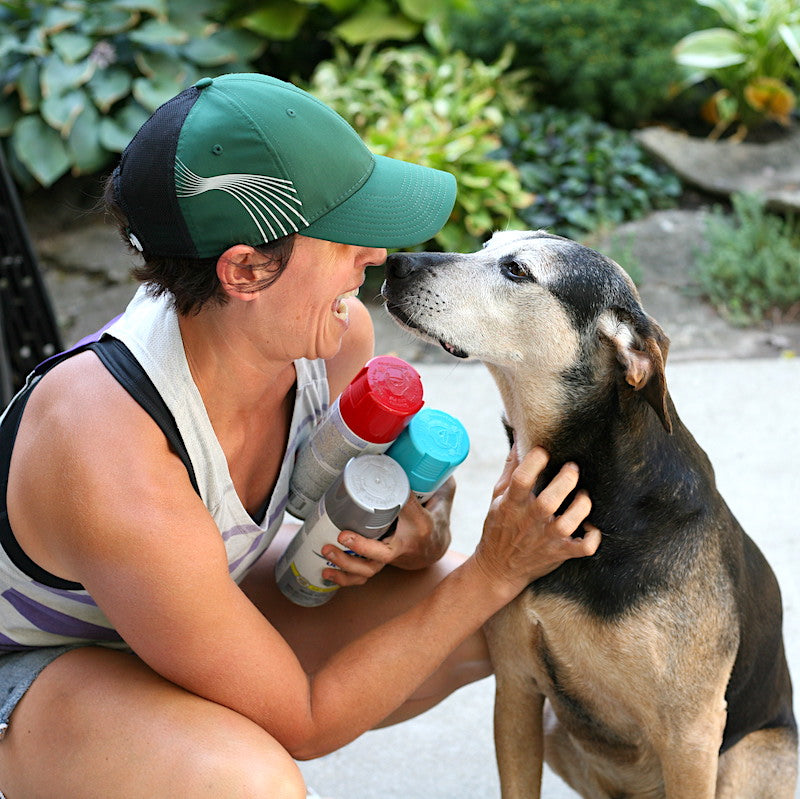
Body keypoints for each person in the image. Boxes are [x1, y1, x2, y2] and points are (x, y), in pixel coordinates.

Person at [0, 73, 600, 797]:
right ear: (246, 269)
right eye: (348, 235)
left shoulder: (332, 336)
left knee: (524, 619)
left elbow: (404, 538)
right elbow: (306, 718)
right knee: (248, 783)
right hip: (35, 659)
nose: (376, 256)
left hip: (184, 601)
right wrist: (491, 568)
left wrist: (418, 535)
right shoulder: (112, 451)